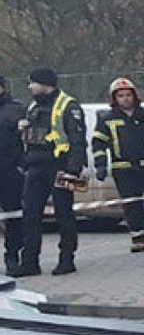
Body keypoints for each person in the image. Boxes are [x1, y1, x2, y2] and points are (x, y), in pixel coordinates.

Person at [11, 67, 86, 277]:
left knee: (64, 215)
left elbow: (78, 141)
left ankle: (66, 260)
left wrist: (73, 170)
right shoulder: (34, 106)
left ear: (45, 83)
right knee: (30, 215)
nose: (30, 87)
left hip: (60, 167)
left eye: (32, 83)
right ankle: (30, 262)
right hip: (36, 167)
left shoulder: (68, 105)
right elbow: (32, 139)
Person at [91, 77, 144, 252]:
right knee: (132, 205)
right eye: (121, 96)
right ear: (114, 99)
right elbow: (98, 144)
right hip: (123, 169)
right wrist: (100, 165)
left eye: (128, 95)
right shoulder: (107, 119)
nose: (125, 99)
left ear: (134, 96)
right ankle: (140, 239)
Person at [0, 77, 25, 274]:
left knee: (13, 215)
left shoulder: (15, 109)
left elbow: (26, 138)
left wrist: (21, 165)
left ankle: (12, 256)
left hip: (9, 170)